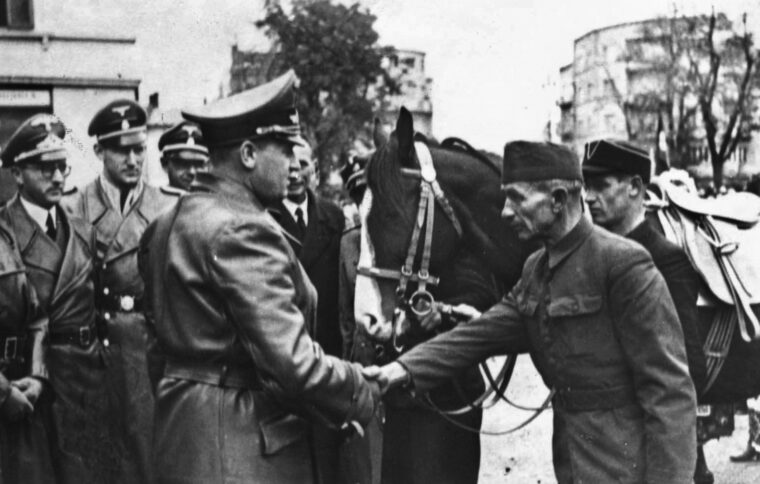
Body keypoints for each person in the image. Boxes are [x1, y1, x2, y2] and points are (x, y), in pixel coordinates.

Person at [366, 140, 698, 484]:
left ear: (557, 200)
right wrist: (397, 370)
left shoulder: (623, 264)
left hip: (629, 465)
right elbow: (475, 337)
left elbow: (669, 392)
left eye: (518, 198)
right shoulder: (536, 270)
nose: (506, 211)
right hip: (572, 464)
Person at [138, 69, 379, 484]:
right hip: (240, 447)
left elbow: (157, 349)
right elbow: (293, 364)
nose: (293, 163)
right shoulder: (244, 229)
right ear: (248, 155)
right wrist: (362, 387)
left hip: (182, 434)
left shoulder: (166, 222)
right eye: (284, 149)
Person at [61, 100, 176, 484]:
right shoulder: (73, 207)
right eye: (121, 150)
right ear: (98, 152)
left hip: (146, 350)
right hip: (88, 353)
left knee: (146, 457)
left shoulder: (168, 208)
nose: (133, 159)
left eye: (139, 148)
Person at [0, 114, 116, 482]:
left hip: (84, 382)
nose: (56, 178)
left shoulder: (83, 232)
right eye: (43, 168)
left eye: (61, 167)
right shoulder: (5, 234)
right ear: (17, 174)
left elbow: (97, 305)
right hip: (30, 384)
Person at [582, 139, 706, 392]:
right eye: (587, 187)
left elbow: (687, 367)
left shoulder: (665, 259)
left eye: (601, 187)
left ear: (635, 187)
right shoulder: (590, 254)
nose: (588, 197)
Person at [337, 153, 382, 484]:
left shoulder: (403, 240)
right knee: (369, 462)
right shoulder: (349, 244)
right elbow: (345, 320)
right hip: (364, 362)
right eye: (358, 194)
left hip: (400, 362)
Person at [0, 212, 54, 484]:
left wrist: (36, 376)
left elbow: (36, 316)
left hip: (20, 392)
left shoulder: (5, 234)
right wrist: (3, 394)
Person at [157, 120, 209, 193]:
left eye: (199, 164)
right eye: (183, 163)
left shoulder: (216, 201)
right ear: (164, 164)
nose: (192, 171)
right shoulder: (154, 202)